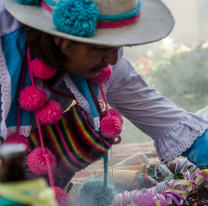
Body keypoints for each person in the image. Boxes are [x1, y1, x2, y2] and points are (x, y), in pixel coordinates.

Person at [1, 0, 208, 205]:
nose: (112, 58)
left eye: (118, 44)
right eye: (101, 46)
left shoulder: (104, 67)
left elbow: (159, 113)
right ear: (59, 38)